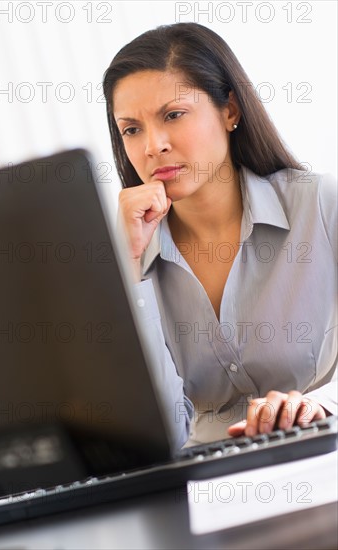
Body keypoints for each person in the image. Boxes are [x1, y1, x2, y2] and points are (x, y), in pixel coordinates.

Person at [103, 22, 337, 447]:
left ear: (230, 110)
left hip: (324, 452)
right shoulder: (127, 253)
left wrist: (323, 404)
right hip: (202, 488)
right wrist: (127, 268)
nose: (153, 145)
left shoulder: (321, 204)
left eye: (173, 115)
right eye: (131, 129)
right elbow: (156, 432)